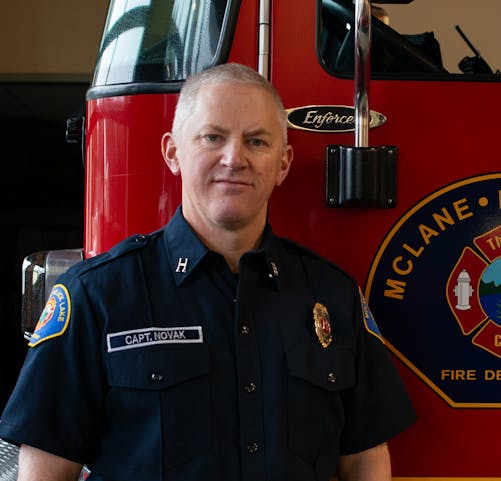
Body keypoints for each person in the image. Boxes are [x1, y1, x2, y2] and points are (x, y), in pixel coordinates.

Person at [0, 63, 417, 481]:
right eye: (212, 137)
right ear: (173, 152)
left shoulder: (334, 296)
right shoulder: (96, 295)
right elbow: (46, 468)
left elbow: (364, 460)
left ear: (283, 163)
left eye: (257, 141)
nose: (234, 158)